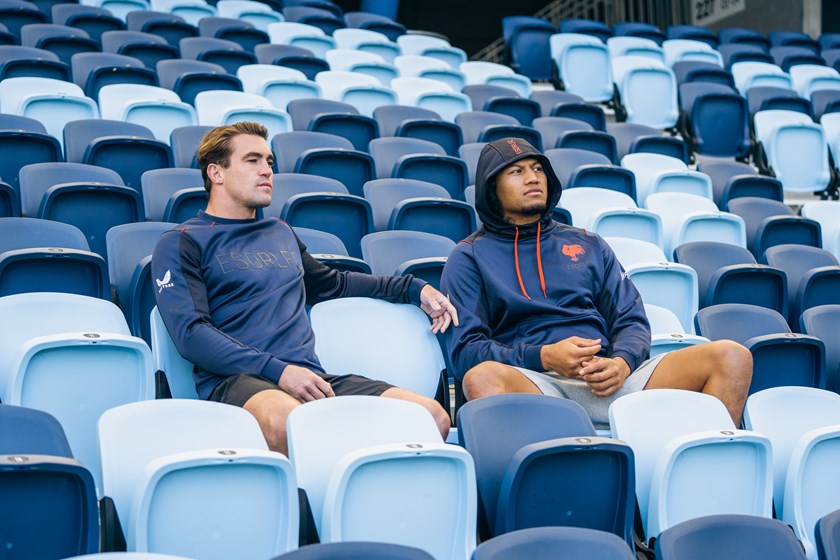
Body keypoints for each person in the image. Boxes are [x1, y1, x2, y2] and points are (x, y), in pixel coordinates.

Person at [152, 122, 457, 453]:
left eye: (269, 161)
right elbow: (191, 334)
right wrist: (279, 371)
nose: (266, 170)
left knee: (430, 416)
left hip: (310, 380)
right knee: (288, 422)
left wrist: (414, 289)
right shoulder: (182, 241)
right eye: (252, 160)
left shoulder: (279, 231)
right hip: (237, 382)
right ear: (216, 172)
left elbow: (333, 284)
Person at [440, 138, 752, 426]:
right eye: (517, 172)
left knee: (732, 357)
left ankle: (700, 479)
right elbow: (467, 351)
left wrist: (622, 362)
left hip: (608, 376)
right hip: (535, 382)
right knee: (481, 378)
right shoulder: (468, 255)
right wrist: (544, 356)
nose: (533, 178)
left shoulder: (589, 243)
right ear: (491, 188)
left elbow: (631, 319)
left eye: (538, 169)